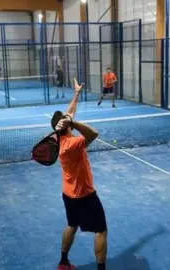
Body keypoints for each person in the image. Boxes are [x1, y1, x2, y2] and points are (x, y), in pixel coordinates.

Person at [51, 78, 108, 270]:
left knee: (72, 225)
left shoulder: (58, 139)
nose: (68, 117)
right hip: (84, 194)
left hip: (68, 194)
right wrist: (74, 122)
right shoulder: (71, 145)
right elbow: (93, 134)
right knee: (101, 231)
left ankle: (63, 262)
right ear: (66, 126)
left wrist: (76, 94)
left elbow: (69, 111)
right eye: (66, 120)